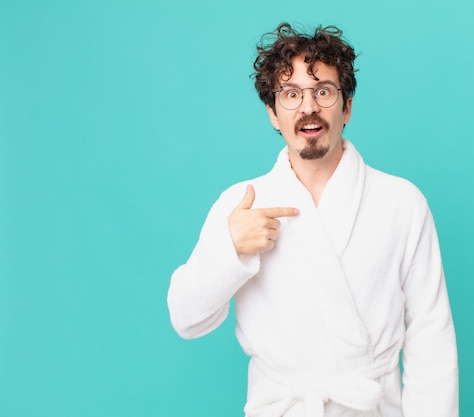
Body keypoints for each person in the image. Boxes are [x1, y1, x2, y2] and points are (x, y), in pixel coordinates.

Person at [167, 23, 458, 417]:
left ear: (347, 107)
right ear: (272, 113)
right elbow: (187, 319)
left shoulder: (401, 202)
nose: (308, 107)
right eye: (290, 95)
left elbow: (431, 339)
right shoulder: (240, 205)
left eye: (323, 91)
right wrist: (229, 249)